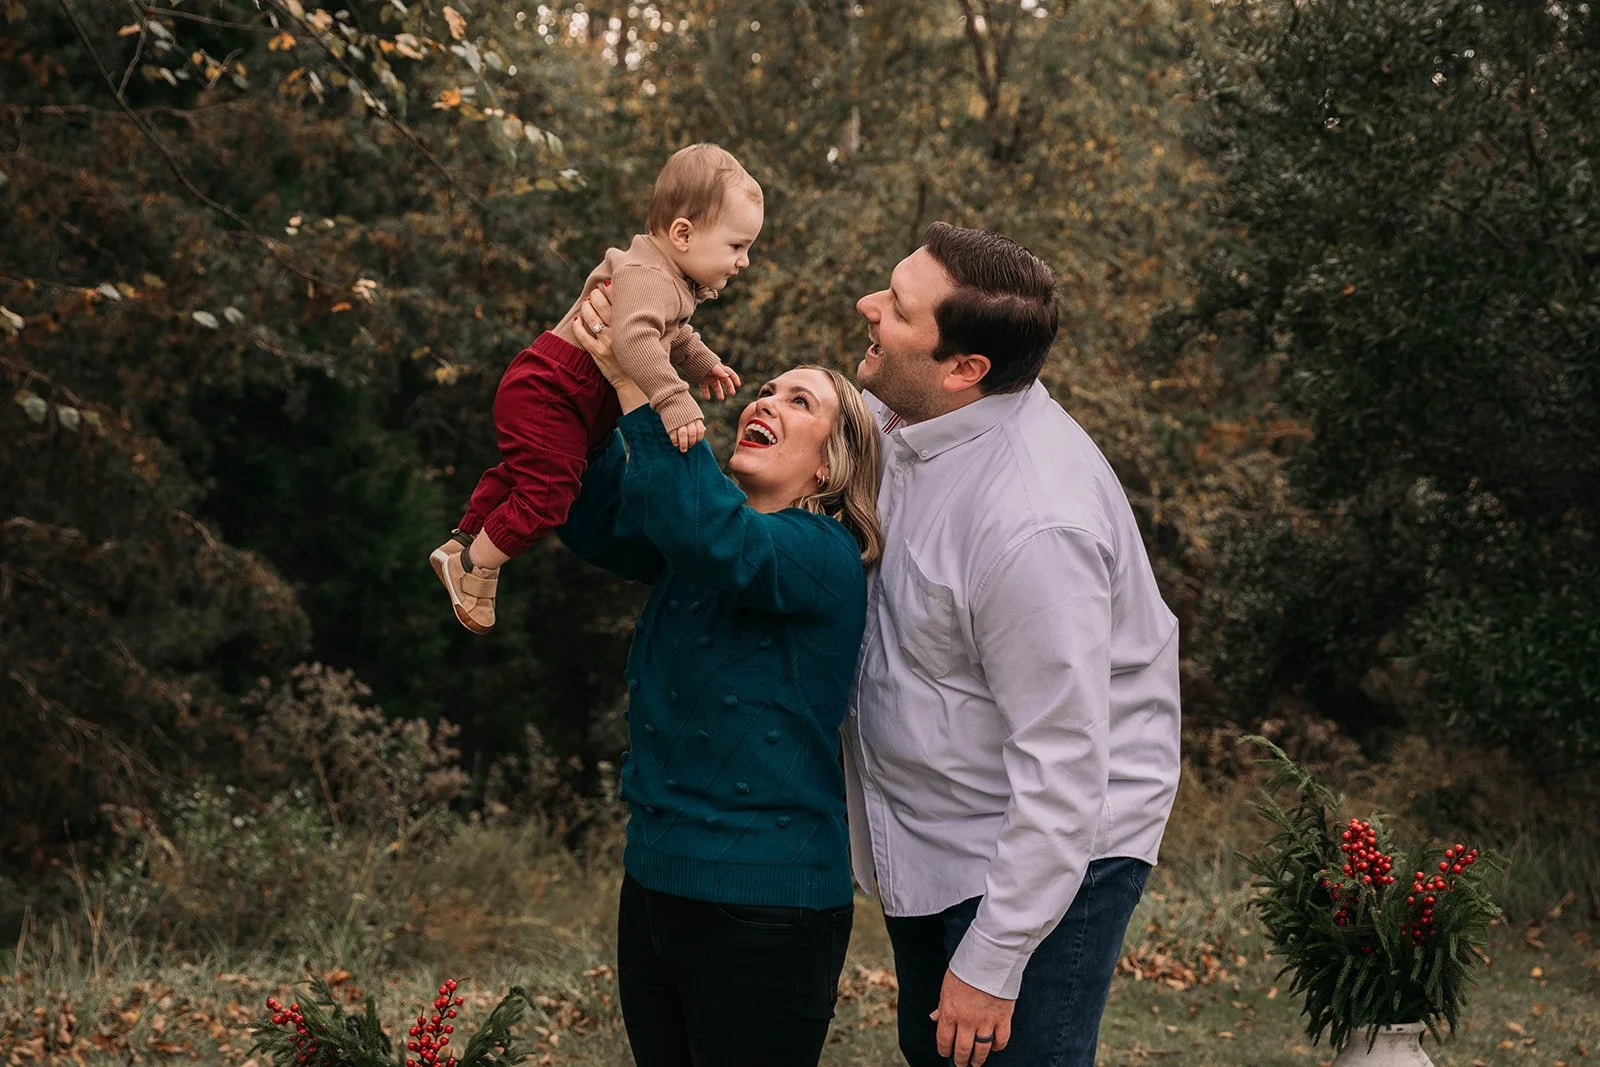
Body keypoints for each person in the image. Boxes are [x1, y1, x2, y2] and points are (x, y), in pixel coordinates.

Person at [843, 222, 1182, 1067]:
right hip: (938, 833)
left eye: (898, 308)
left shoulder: (1035, 525)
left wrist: (996, 958)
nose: (867, 308)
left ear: (966, 369)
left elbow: (1065, 762)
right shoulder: (909, 413)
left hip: (1046, 859)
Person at [556, 282, 884, 1067]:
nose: (765, 401)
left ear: (829, 466)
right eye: (765, 390)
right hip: (655, 885)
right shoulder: (696, 533)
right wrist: (593, 369)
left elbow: (711, 534)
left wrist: (646, 381)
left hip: (766, 910)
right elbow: (591, 514)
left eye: (800, 401)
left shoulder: (824, 557)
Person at [431, 143, 756, 634]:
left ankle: (464, 539)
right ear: (683, 233)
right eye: (737, 246)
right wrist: (673, 398)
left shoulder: (664, 277)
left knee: (526, 476)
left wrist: (702, 363)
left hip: (555, 389)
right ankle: (475, 566)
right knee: (548, 495)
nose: (744, 261)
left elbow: (673, 332)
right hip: (554, 390)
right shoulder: (652, 277)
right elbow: (634, 339)